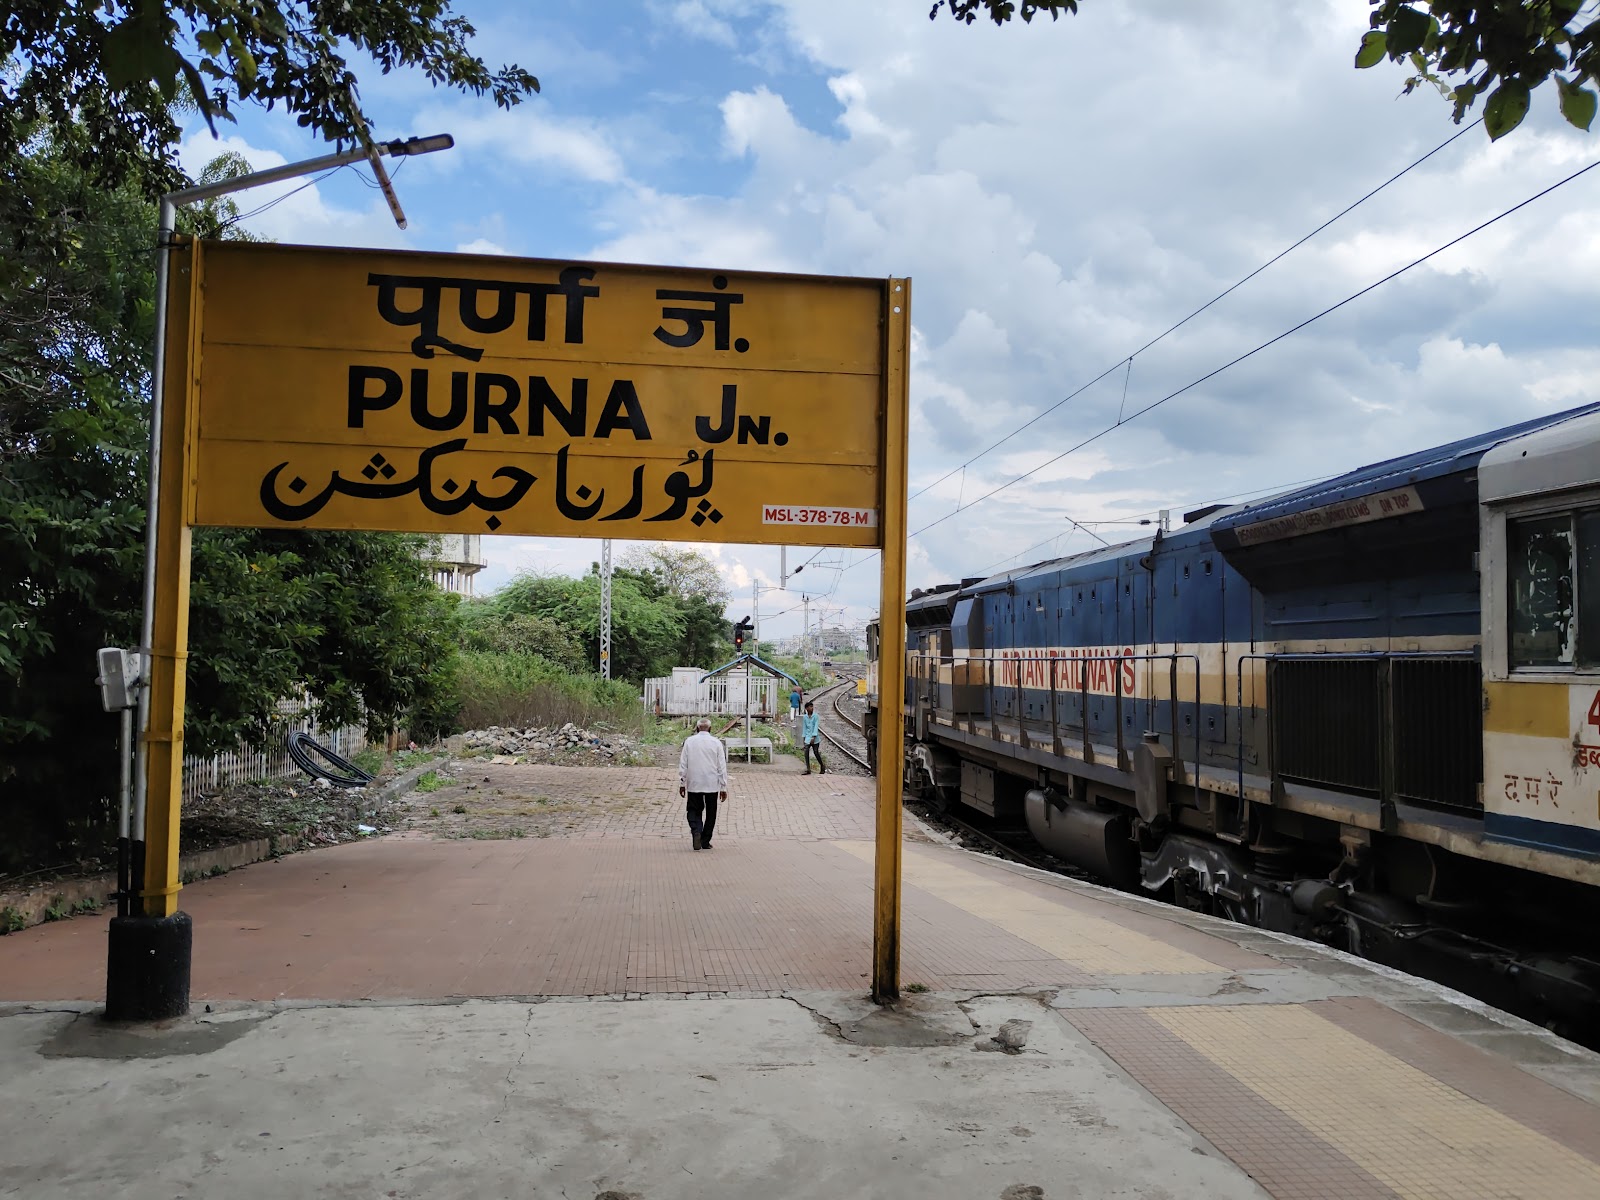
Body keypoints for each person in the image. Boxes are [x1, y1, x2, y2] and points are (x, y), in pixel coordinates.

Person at [678, 717, 728, 851]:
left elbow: (683, 764)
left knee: (694, 809)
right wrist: (723, 786)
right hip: (712, 783)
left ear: (697, 728)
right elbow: (721, 766)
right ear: (710, 728)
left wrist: (682, 783)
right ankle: (705, 840)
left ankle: (696, 831)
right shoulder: (716, 743)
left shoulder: (689, 742)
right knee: (711, 812)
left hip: (694, 782)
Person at [800, 701, 826, 775]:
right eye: (810, 707)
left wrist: (813, 737)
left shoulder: (815, 716)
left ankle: (822, 765)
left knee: (816, 752)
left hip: (815, 738)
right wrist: (804, 737)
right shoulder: (805, 717)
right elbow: (804, 728)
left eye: (812, 706)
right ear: (806, 708)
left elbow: (816, 727)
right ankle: (808, 769)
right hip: (807, 737)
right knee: (806, 753)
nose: (811, 708)